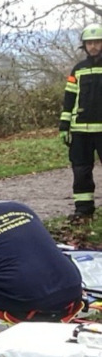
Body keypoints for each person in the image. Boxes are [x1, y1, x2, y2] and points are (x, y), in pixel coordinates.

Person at [59, 23, 102, 220]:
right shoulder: (77, 70)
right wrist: (64, 125)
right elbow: (69, 99)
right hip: (80, 131)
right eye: (89, 43)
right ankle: (83, 210)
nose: (93, 46)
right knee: (81, 170)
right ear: (84, 46)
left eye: (97, 42)